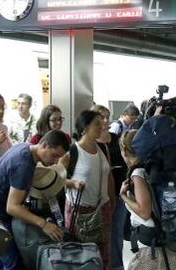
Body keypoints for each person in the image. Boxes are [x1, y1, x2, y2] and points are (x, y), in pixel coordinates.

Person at [0, 130, 70, 270]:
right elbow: (12, 207)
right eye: (54, 155)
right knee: (12, 263)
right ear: (44, 145)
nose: (55, 161)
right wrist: (44, 224)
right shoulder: (24, 165)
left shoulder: (24, 148)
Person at [119, 130, 176, 270]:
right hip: (171, 234)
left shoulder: (138, 173)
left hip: (151, 244)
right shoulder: (157, 166)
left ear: (125, 151)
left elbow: (144, 212)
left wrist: (124, 196)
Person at [63, 110, 114, 270]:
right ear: (84, 128)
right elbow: (56, 179)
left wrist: (112, 202)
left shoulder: (103, 150)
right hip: (79, 212)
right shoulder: (72, 151)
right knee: (80, 257)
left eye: (102, 123)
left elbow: (109, 176)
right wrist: (73, 183)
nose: (102, 126)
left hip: (102, 208)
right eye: (97, 124)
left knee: (103, 256)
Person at [91, 104, 128, 270]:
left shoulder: (115, 138)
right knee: (99, 232)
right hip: (98, 195)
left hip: (119, 193)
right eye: (101, 117)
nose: (105, 120)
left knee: (116, 232)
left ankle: (116, 266)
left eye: (107, 116)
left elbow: (125, 161)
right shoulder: (90, 141)